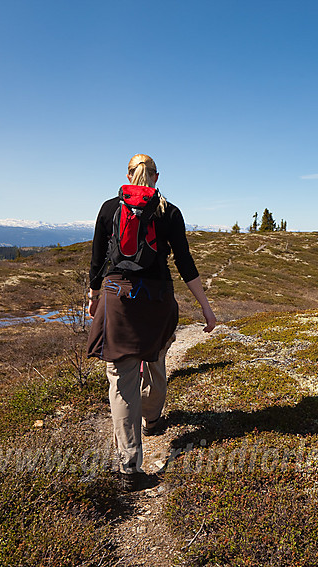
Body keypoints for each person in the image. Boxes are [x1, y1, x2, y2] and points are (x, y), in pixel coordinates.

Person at [87, 153, 216, 488]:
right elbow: (185, 262)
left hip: (117, 296)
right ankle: (153, 418)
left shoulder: (108, 209)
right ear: (156, 177)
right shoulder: (169, 212)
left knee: (120, 379)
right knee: (156, 359)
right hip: (157, 299)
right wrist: (204, 306)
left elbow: (98, 258)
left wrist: (92, 296)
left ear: (129, 175)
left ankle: (129, 468)